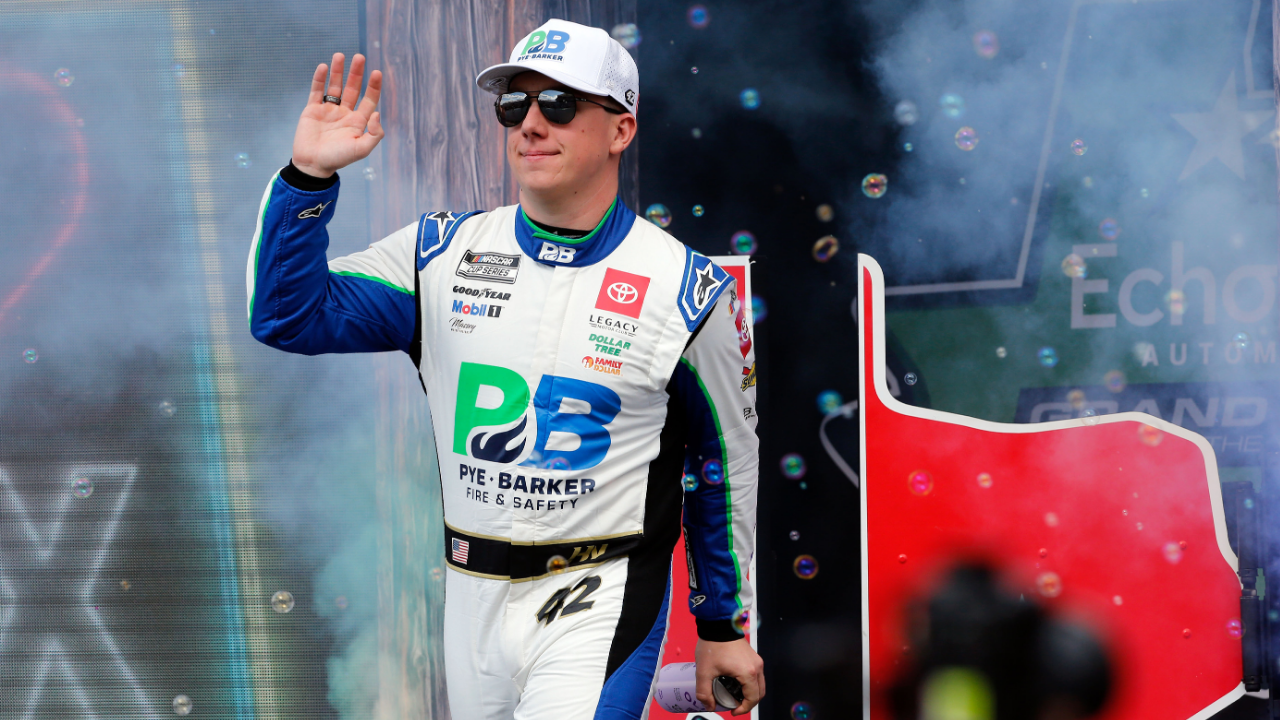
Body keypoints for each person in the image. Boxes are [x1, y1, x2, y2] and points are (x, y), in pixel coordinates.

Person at [246, 18, 762, 720]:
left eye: (560, 105)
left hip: (601, 593)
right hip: (471, 594)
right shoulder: (439, 253)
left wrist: (722, 627)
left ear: (621, 130)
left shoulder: (689, 290)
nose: (530, 125)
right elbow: (286, 316)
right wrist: (309, 176)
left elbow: (723, 466)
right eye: (514, 106)